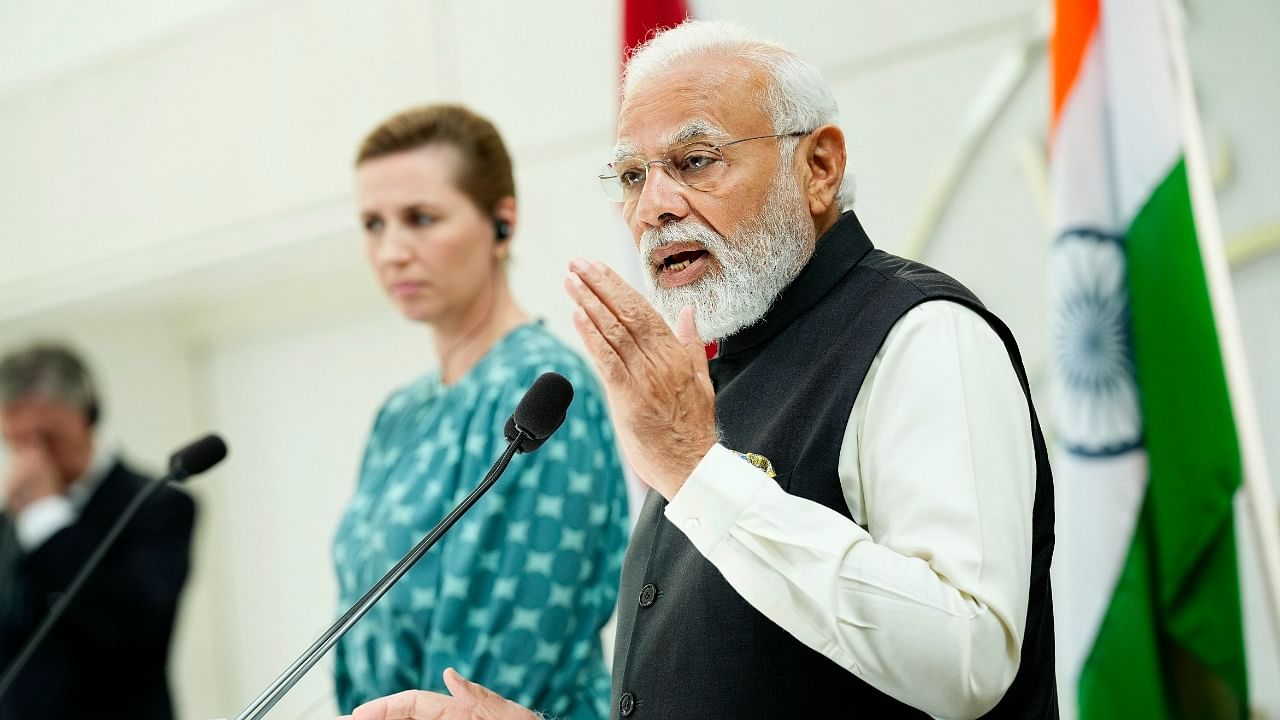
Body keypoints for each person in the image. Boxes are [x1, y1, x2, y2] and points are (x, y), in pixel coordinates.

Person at [343, 20, 1056, 720]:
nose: (653, 207)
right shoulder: (712, 375)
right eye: (630, 175)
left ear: (819, 167)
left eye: (694, 161)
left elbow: (968, 661)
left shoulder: (923, 333)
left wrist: (693, 465)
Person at [330, 104, 631, 719]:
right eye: (373, 224)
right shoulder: (400, 413)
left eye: (420, 218)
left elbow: (502, 667)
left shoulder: (542, 389)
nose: (392, 251)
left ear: (502, 222)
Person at [0, 343, 195, 720]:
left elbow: (132, 627)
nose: (32, 456)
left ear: (88, 414)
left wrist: (48, 518)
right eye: (16, 441)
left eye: (48, 438)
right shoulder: (9, 518)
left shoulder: (157, 505)